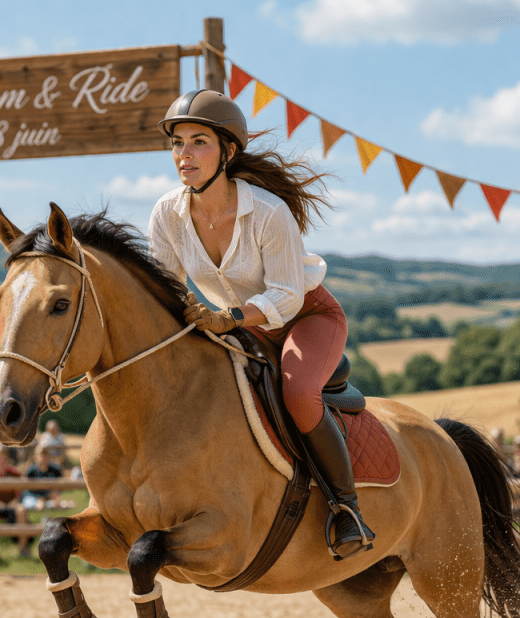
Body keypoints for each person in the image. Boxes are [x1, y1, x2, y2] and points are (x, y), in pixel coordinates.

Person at [149, 90, 373, 559]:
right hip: (239, 325)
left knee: (298, 393)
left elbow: (287, 296)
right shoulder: (167, 213)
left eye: (198, 142)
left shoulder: (268, 212)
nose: (184, 154)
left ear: (228, 152)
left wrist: (227, 317)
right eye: (177, 143)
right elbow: (164, 286)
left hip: (306, 316)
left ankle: (346, 510)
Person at [22, 445, 65, 511]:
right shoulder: (31, 470)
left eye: (45, 454)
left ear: (48, 456)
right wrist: (40, 498)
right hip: (33, 497)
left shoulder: (55, 469)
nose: (42, 457)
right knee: (30, 504)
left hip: (50, 497)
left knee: (61, 504)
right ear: (35, 456)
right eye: (40, 455)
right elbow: (26, 488)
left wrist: (53, 494)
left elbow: (61, 485)